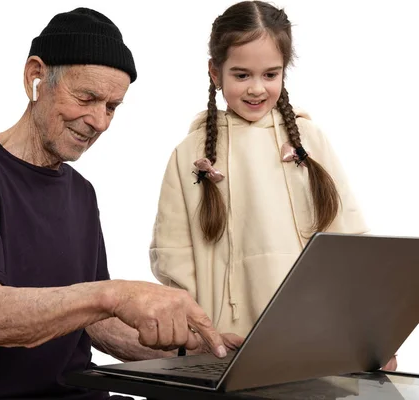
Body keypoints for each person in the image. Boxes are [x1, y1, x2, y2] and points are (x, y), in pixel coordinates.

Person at [0, 7, 243, 400]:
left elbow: (95, 325)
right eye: (86, 97)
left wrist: (200, 351)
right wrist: (113, 294)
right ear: (36, 76)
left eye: (112, 107)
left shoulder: (81, 192)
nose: (100, 122)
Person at [149, 0, 397, 371]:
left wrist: (369, 334)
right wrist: (202, 333)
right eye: (241, 74)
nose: (256, 89)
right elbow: (174, 260)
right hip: (226, 349)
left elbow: (350, 243)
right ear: (214, 73)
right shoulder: (188, 155)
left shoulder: (310, 140)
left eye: (270, 74)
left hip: (316, 341)